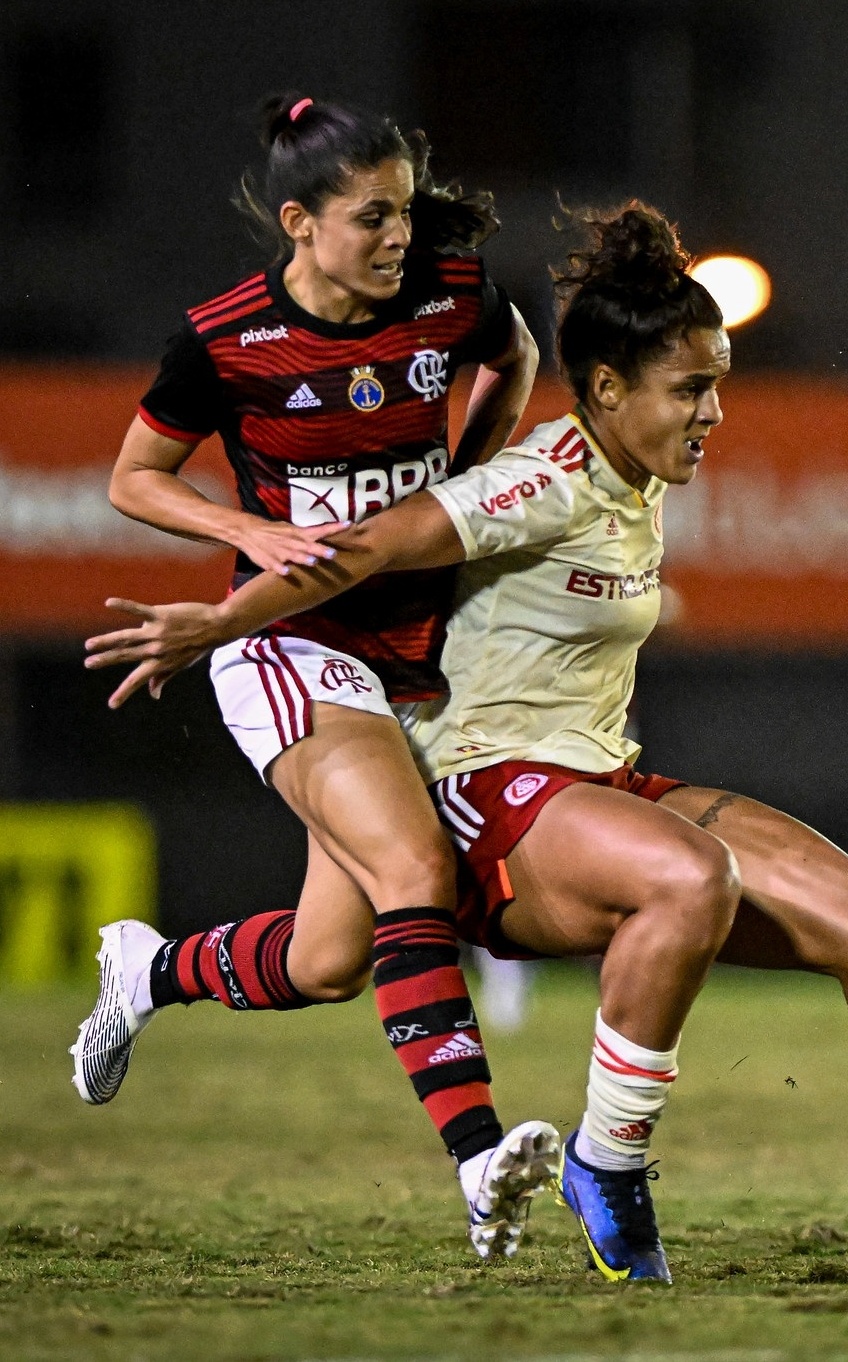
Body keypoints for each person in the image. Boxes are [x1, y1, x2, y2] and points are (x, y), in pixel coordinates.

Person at [83, 202, 848, 1281]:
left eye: (718, 387)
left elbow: (504, 372)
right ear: (606, 389)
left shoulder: (633, 478)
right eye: (692, 389)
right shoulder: (542, 480)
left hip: (587, 779)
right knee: (684, 880)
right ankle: (606, 1164)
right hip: (476, 794)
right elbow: (368, 543)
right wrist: (222, 618)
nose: (713, 414)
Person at [70, 93, 560, 1259]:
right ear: (300, 221)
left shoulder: (448, 290)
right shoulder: (226, 337)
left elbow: (517, 355)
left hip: (408, 646)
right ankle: (480, 1158)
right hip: (290, 644)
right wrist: (245, 536)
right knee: (412, 865)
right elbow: (133, 479)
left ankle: (151, 969)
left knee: (330, 958)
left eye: (404, 213)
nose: (399, 238)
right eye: (372, 218)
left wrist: (461, 477)